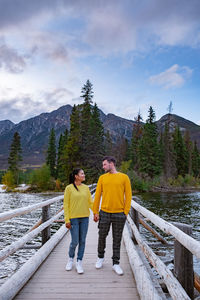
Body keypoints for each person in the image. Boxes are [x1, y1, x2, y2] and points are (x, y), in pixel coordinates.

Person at [93, 156, 132, 275]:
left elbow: (129, 196)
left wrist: (125, 212)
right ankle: (100, 257)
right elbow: (97, 195)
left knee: (117, 239)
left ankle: (116, 263)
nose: (103, 167)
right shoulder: (102, 178)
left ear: (112, 164)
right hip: (104, 212)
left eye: (105, 164)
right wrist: (95, 211)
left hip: (119, 214)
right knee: (102, 236)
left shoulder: (124, 177)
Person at [64, 168, 93, 274]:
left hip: (85, 217)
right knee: (74, 241)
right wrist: (67, 219)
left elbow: (90, 202)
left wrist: (97, 212)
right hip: (73, 218)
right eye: (82, 173)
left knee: (82, 241)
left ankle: (79, 262)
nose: (84, 175)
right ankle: (70, 259)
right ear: (76, 176)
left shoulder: (86, 188)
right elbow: (66, 205)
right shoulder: (69, 188)